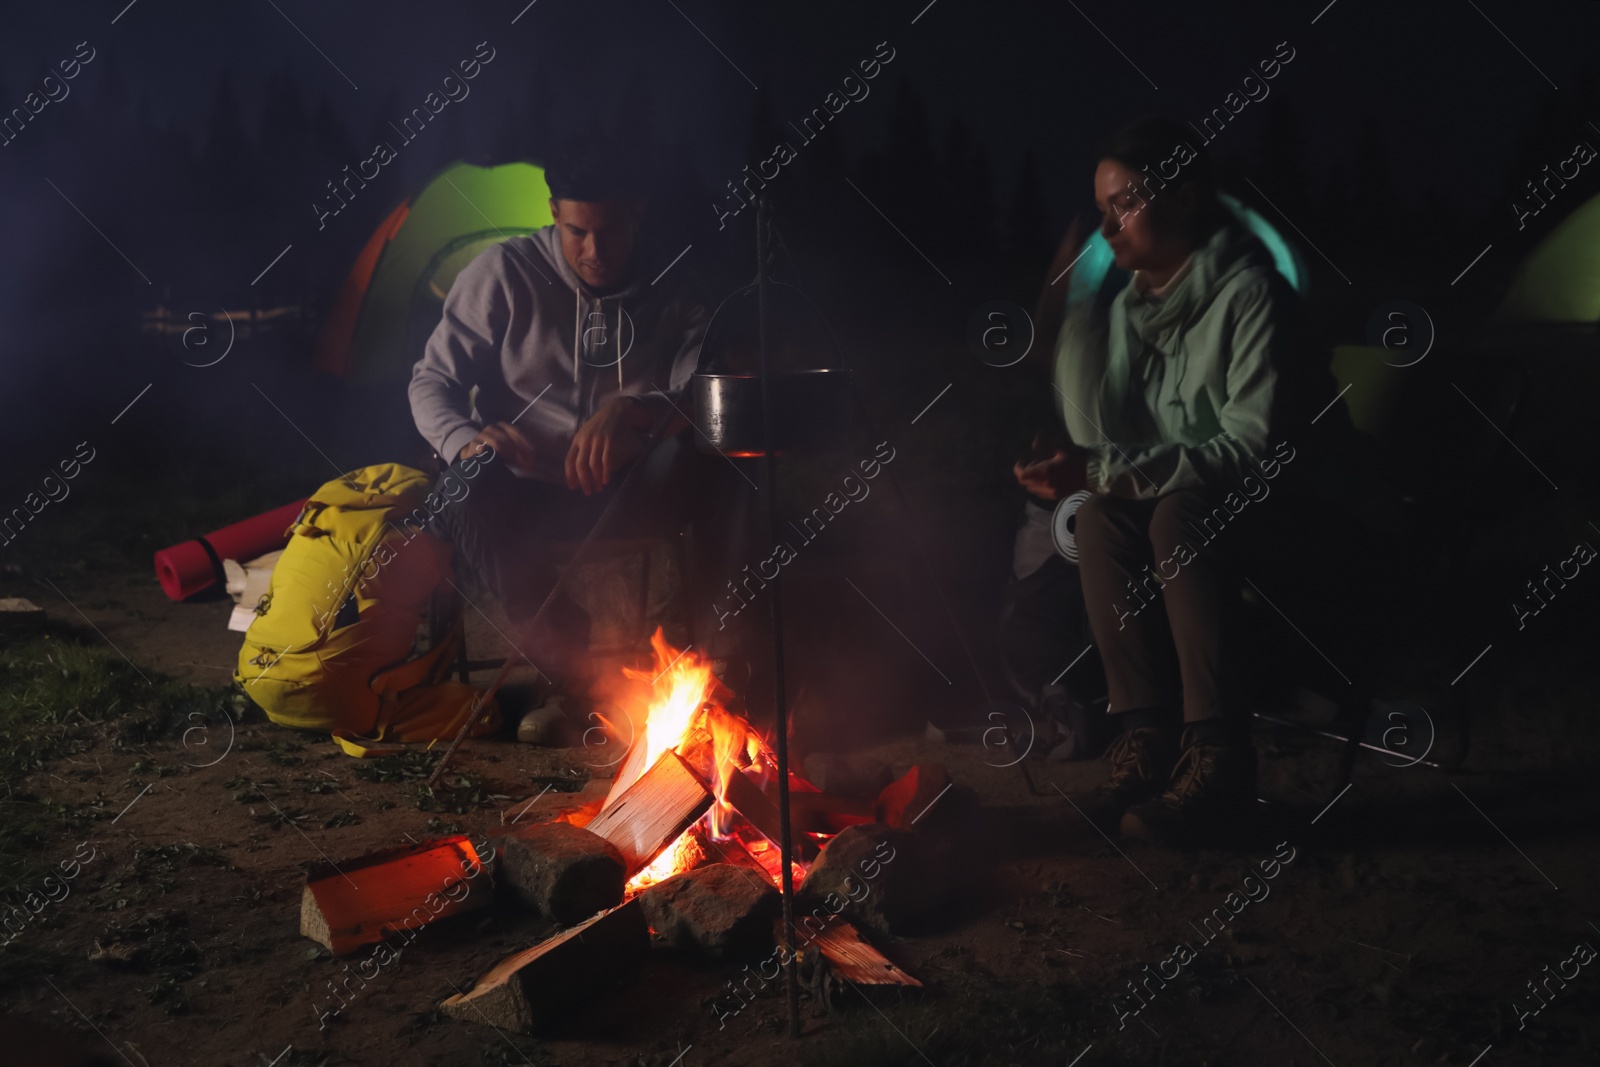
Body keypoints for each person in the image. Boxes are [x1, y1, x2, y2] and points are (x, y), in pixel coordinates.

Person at [1015, 117, 1364, 845]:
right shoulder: (1131, 308)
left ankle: (1218, 755)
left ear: (1180, 199)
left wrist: (1106, 466)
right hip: (1196, 505)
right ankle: (1144, 740)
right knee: (1105, 517)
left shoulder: (1249, 294)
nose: (1108, 226)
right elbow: (1112, 439)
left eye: (1125, 204)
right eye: (1101, 208)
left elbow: (1251, 448)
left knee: (1176, 515)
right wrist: (1077, 458)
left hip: (1294, 510)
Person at [409, 146, 746, 734]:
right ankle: (566, 675)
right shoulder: (504, 274)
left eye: (610, 231)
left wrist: (637, 410)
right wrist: (466, 438)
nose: (594, 252)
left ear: (636, 215)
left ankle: (732, 663)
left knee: (732, 459)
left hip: (632, 490)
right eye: (576, 232)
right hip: (522, 497)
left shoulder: (677, 285)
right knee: (461, 481)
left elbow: (704, 393)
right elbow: (431, 380)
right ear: (552, 213)